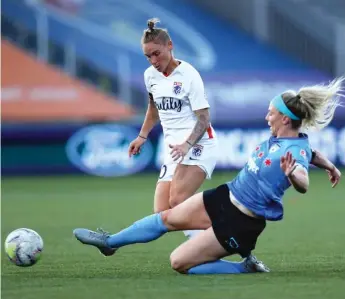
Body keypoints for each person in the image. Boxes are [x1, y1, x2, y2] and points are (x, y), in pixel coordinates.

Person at [74, 78, 343, 274]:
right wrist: (330, 165)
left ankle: (243, 268)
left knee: (179, 263)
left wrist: (294, 176)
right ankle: (109, 243)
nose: (266, 117)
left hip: (241, 222)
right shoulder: (290, 141)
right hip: (225, 196)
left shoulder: (293, 153)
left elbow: (303, 182)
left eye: (271, 113)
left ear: (285, 119)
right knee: (166, 216)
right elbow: (312, 152)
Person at [127, 18, 218, 239]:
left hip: (198, 145)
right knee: (163, 213)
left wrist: (187, 144)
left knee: (178, 201)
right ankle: (207, 242)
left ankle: (224, 236)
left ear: (170, 45)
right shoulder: (150, 76)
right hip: (173, 150)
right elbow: (153, 108)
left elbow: (204, 118)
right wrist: (142, 136)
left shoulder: (189, 75)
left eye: (156, 53)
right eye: (148, 56)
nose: (153, 61)